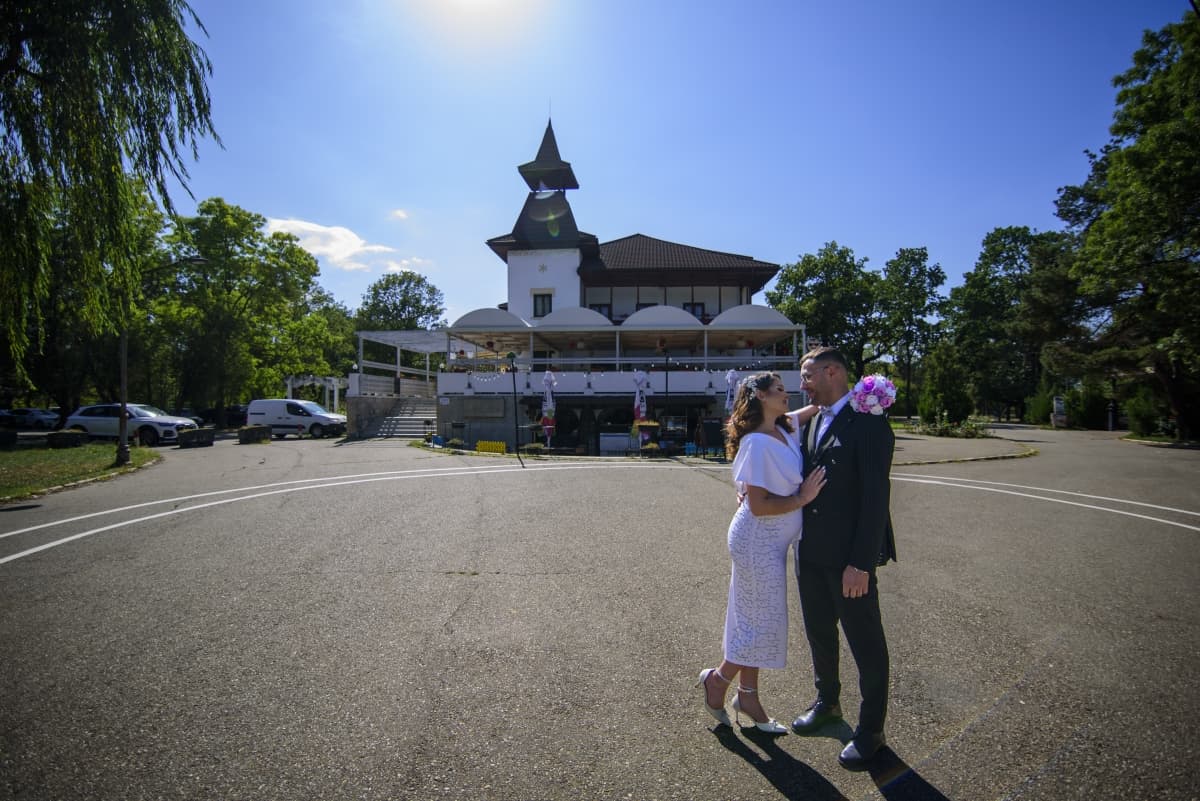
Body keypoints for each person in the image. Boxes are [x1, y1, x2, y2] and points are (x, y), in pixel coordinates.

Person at [696, 372, 825, 734]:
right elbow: (757, 505)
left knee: (754, 619)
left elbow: (809, 411)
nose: (788, 396)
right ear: (761, 397)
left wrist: (835, 398)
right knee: (761, 621)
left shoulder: (784, 429)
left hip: (770, 544)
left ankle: (748, 696)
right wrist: (802, 499)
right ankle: (718, 681)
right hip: (756, 541)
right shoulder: (755, 442)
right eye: (781, 391)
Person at [789, 347, 897, 770]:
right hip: (811, 553)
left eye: (808, 374)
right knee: (819, 633)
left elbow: (875, 499)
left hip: (848, 560)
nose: (803, 383)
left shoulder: (869, 422)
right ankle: (827, 703)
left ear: (832, 372)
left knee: (866, 643)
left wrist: (862, 563)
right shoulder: (813, 418)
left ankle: (871, 730)